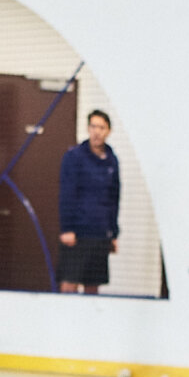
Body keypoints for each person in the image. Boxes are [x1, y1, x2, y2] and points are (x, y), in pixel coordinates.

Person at [57, 111, 120, 295]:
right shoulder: (74, 157)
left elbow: (114, 198)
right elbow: (67, 194)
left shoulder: (111, 161)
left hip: (100, 233)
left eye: (101, 127)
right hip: (78, 233)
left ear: (108, 131)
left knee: (93, 286)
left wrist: (113, 233)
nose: (96, 132)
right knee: (70, 284)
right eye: (93, 126)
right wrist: (67, 228)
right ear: (88, 128)